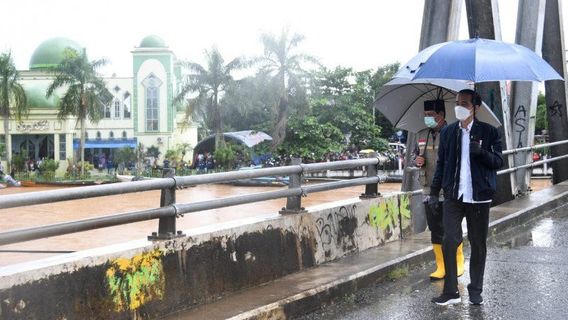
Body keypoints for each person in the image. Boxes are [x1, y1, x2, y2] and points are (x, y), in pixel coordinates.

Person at [430, 89, 503, 306]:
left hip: (479, 197)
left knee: (478, 244)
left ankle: (475, 289)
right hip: (454, 195)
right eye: (457, 102)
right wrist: (434, 192)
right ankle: (451, 291)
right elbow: (442, 164)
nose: (459, 107)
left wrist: (481, 153)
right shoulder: (448, 132)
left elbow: (499, 162)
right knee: (449, 241)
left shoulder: (490, 132)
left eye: (464, 103)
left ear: (475, 107)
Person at [414, 99, 465, 281]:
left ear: (442, 115)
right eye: (426, 115)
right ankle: (441, 266)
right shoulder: (421, 135)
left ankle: (458, 261)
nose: (427, 119)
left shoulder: (453, 133)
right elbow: (415, 156)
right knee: (435, 227)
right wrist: (416, 161)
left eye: (431, 115)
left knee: (451, 228)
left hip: (449, 189)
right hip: (428, 190)